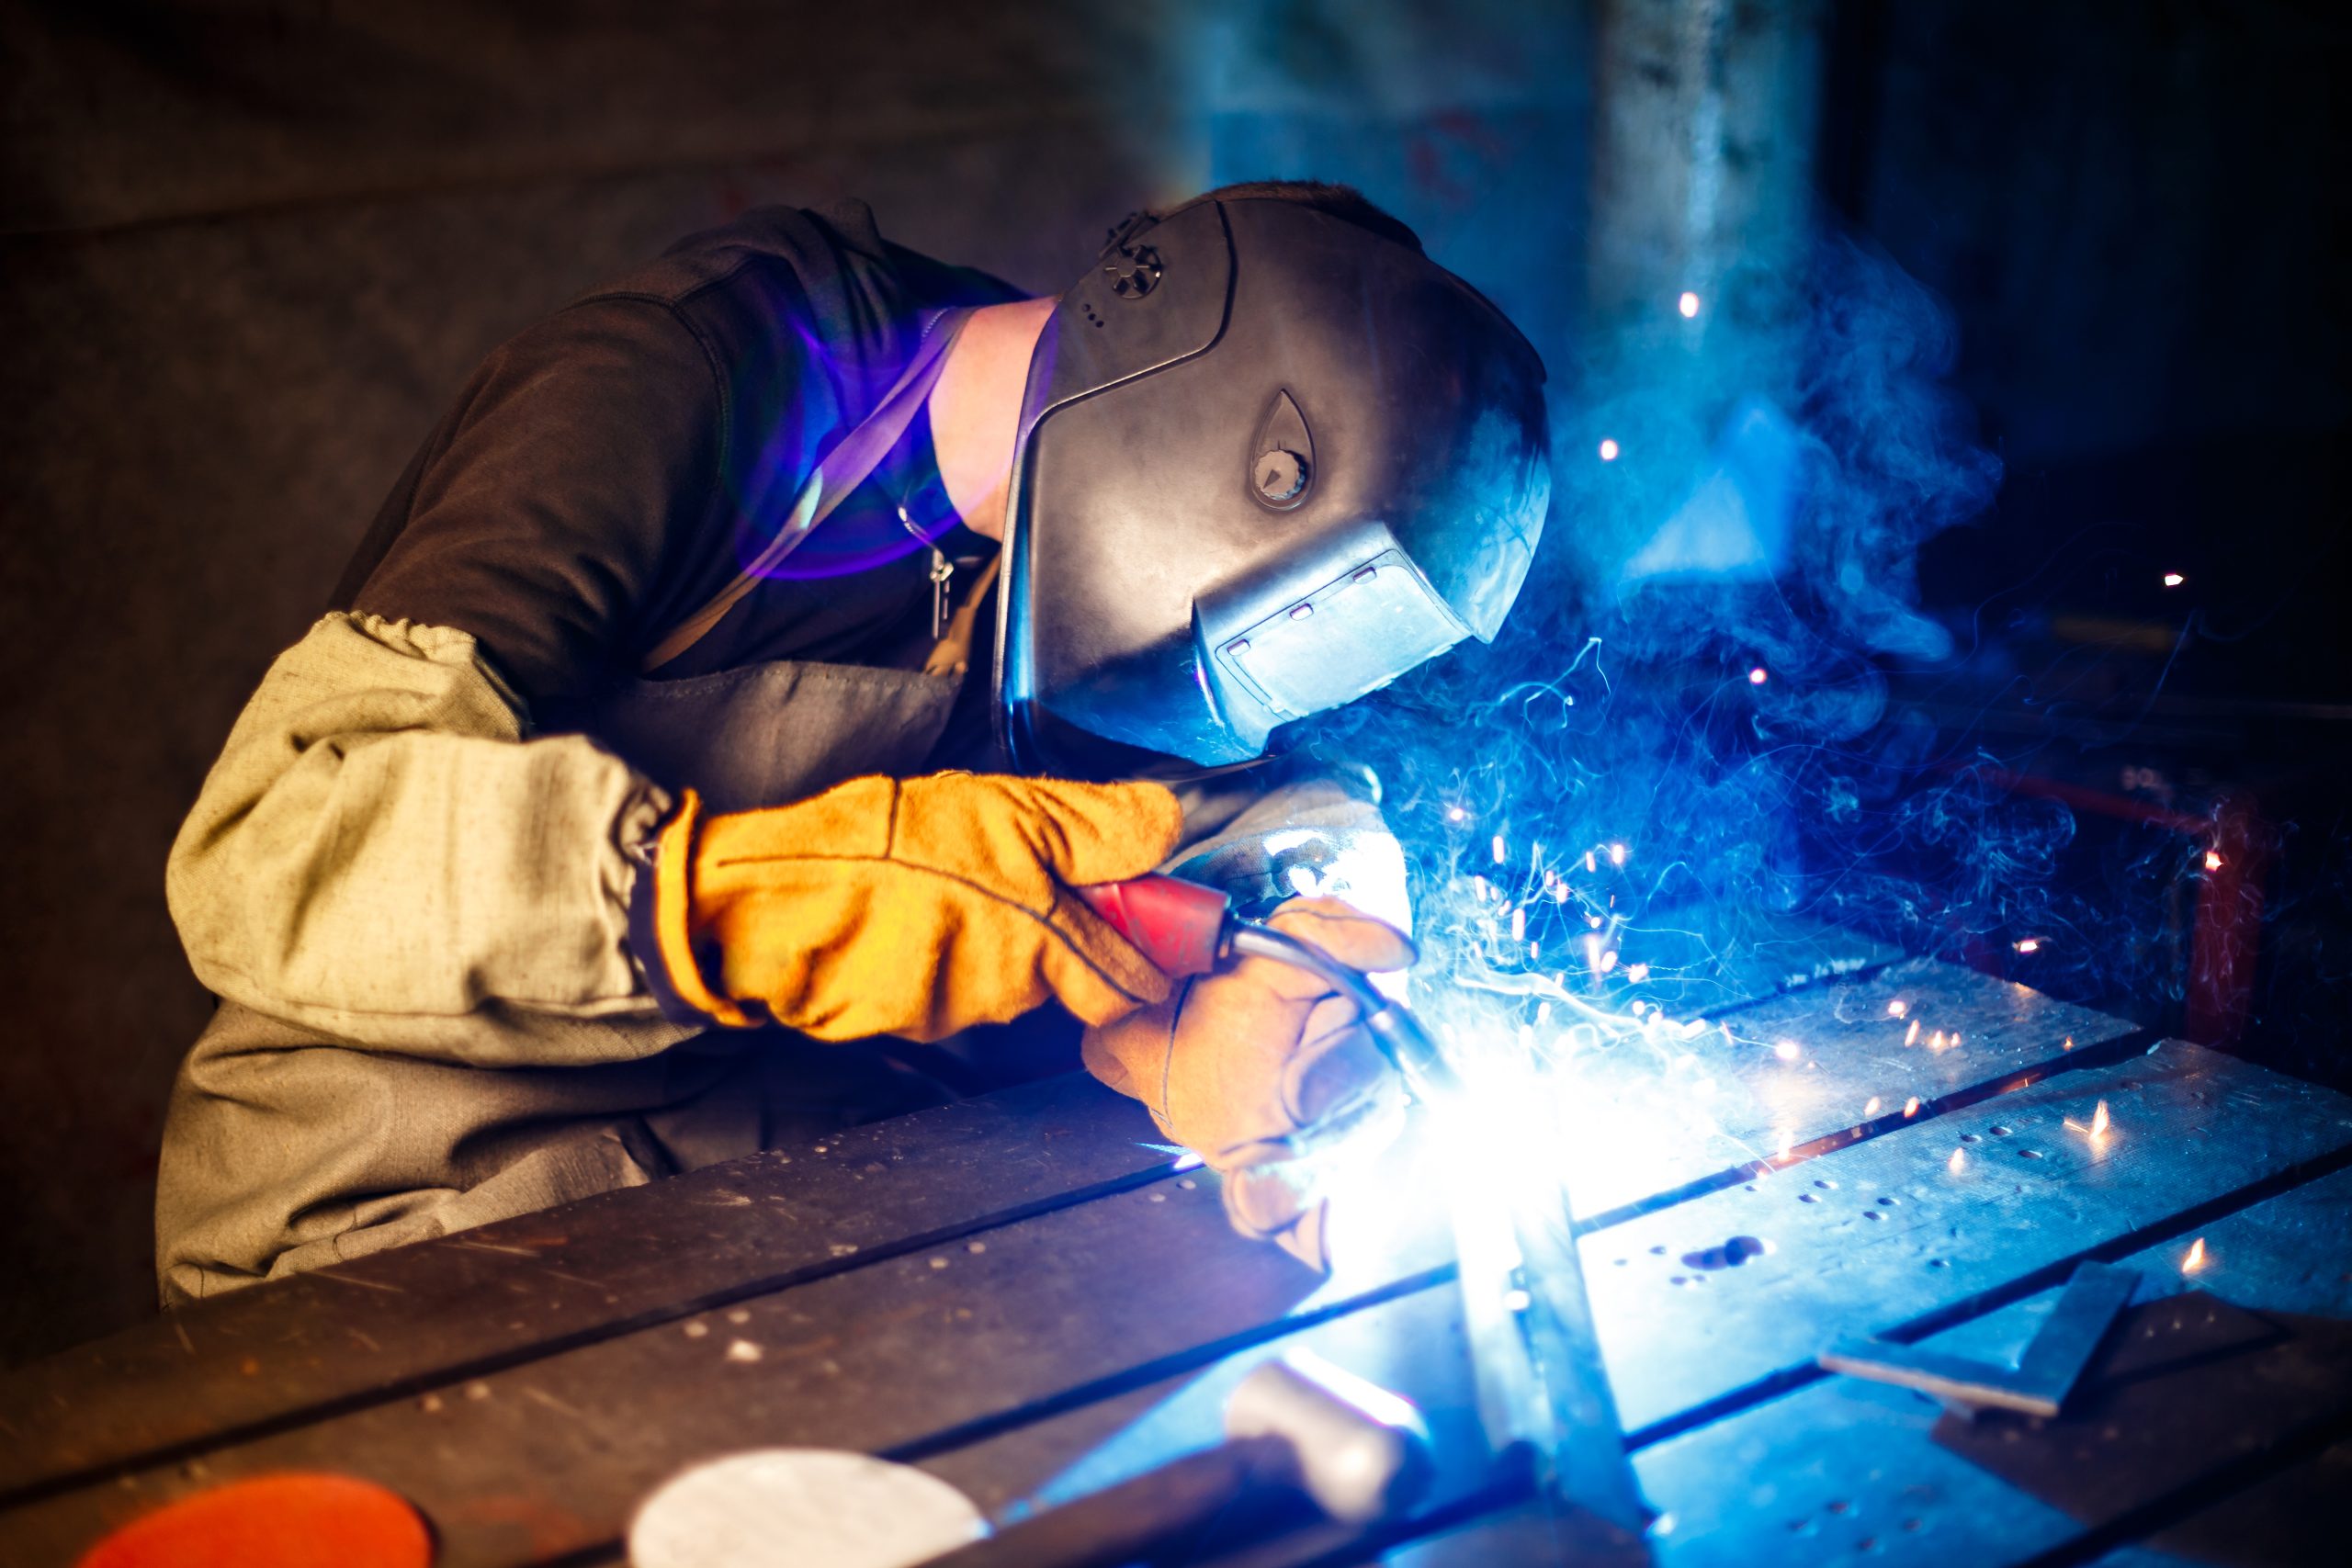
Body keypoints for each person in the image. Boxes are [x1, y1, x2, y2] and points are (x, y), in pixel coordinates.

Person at [156, 181, 1551, 1304]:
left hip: (763, 1192)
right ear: (1213, 437)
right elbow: (269, 846)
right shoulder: (688, 382)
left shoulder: (1103, 572)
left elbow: (1252, 812)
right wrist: (737, 905)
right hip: (395, 1218)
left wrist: (1311, 948)